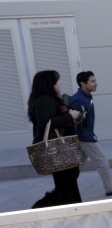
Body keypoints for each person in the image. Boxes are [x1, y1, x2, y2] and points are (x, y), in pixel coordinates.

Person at [69, 71, 112, 197]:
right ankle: (111, 188)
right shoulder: (78, 100)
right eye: (92, 81)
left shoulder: (85, 97)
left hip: (84, 136)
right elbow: (74, 121)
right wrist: (86, 135)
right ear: (82, 83)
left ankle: (61, 190)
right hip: (85, 138)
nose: (96, 84)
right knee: (102, 161)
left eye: (95, 81)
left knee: (75, 166)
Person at [27, 70, 83, 208]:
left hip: (60, 146)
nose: (60, 83)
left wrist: (72, 117)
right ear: (49, 84)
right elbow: (46, 122)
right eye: (57, 81)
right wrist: (70, 116)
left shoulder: (49, 98)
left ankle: (58, 205)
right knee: (66, 180)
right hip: (56, 147)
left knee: (68, 179)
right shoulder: (44, 100)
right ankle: (61, 207)